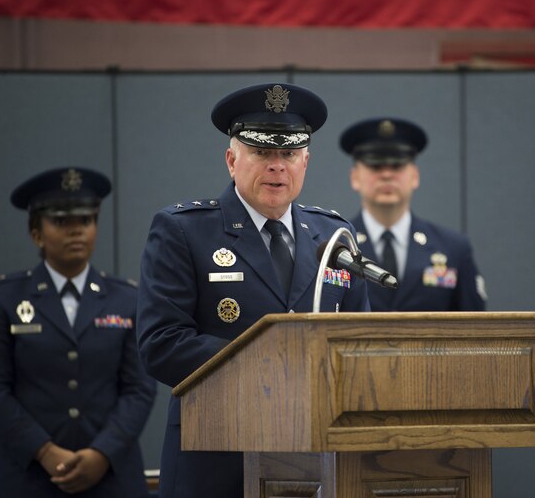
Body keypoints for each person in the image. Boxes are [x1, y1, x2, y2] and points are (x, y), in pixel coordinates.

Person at [136, 83, 370, 498]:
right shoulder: (183, 231)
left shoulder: (334, 235)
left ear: (306, 162)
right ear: (232, 160)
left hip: (316, 461)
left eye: (289, 154)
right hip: (217, 459)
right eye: (262, 152)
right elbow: (162, 344)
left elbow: (360, 343)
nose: (277, 166)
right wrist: (270, 365)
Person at [0, 167, 157, 497]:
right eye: (61, 222)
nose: (77, 231)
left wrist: (102, 453)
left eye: (85, 221)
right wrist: (43, 450)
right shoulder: (5, 297)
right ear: (36, 234)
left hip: (110, 475)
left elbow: (139, 389)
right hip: (27, 475)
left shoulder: (126, 298)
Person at [341, 117, 487, 311]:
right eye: (375, 166)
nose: (386, 175)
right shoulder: (337, 246)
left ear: (415, 176)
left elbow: (475, 327)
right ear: (355, 177)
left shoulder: (453, 248)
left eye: (397, 166)